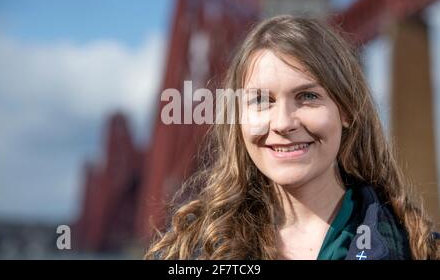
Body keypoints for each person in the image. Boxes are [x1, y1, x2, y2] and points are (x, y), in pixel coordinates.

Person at [144, 15, 439, 260]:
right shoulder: (188, 252)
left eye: (307, 96)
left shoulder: (420, 249)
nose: (283, 123)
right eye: (261, 101)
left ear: (347, 111)